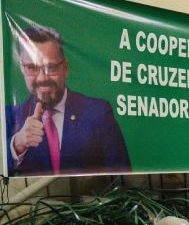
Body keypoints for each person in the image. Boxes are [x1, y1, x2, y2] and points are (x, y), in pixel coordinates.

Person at [7, 25, 130, 176]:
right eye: (32, 68)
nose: (42, 78)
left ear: (65, 69)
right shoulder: (9, 116)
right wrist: (17, 144)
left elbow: (122, 175)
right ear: (22, 69)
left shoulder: (98, 112)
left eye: (51, 68)